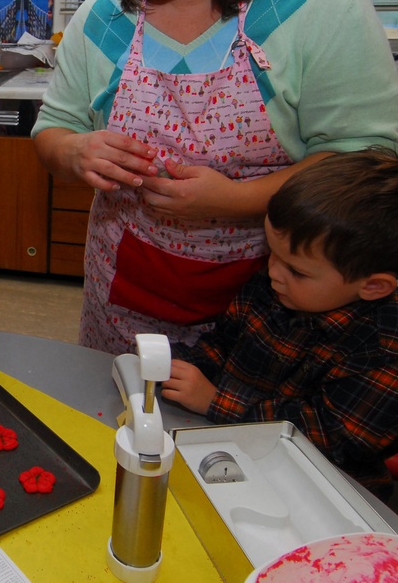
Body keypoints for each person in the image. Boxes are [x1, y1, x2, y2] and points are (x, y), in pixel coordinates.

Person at [32, 0, 398, 355]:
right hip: (125, 294)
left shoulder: (316, 2)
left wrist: (239, 200)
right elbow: (54, 130)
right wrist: (75, 151)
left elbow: (366, 158)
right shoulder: (105, 18)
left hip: (274, 306)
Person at [161, 149, 398, 499]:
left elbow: (331, 438)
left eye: (296, 270)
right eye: (271, 252)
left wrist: (215, 400)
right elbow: (223, 344)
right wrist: (173, 364)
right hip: (229, 454)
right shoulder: (280, 283)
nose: (273, 272)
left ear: (373, 286)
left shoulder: (383, 348)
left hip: (320, 492)